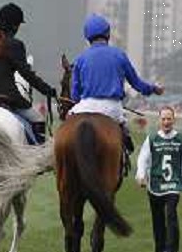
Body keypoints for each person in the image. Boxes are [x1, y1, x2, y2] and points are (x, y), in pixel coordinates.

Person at [69, 13, 164, 155]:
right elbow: (137, 84)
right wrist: (153, 89)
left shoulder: (80, 59)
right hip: (112, 108)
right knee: (124, 138)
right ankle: (124, 155)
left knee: (68, 126)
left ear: (87, 37)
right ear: (107, 34)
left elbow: (75, 95)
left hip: (86, 106)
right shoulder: (119, 55)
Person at [0, 3, 56, 143]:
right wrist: (47, 90)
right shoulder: (16, 45)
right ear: (15, 26)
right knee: (38, 118)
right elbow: (26, 75)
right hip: (8, 96)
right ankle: (39, 155)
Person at [136, 106, 182, 252]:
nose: (166, 122)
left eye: (169, 119)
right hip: (155, 184)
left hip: (173, 184)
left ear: (174, 120)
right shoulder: (152, 138)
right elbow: (143, 159)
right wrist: (141, 175)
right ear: (159, 120)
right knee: (157, 217)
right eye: (163, 119)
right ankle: (160, 247)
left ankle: (172, 249)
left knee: (171, 214)